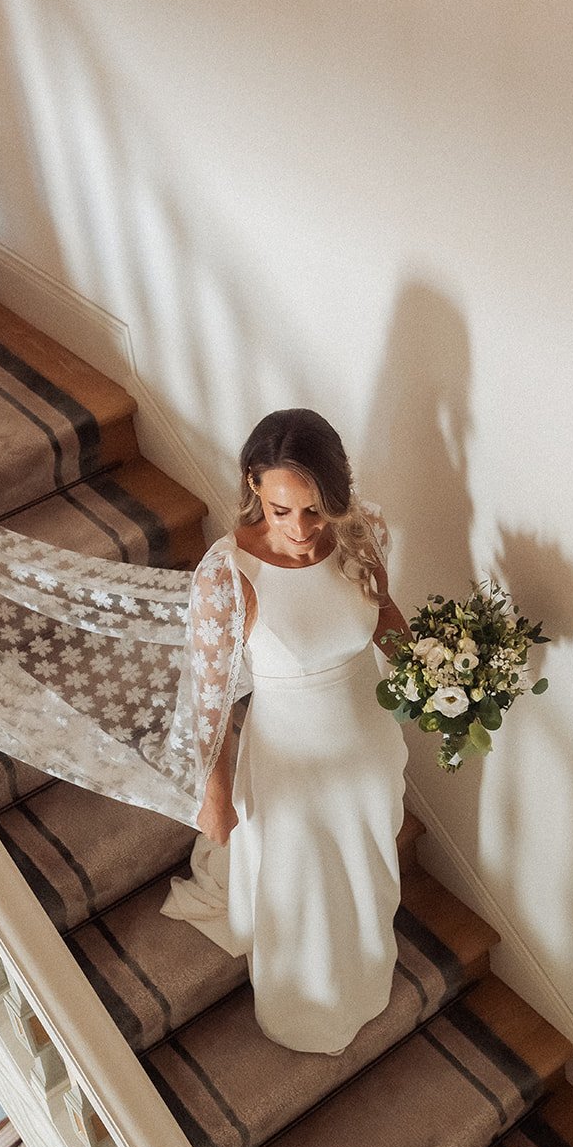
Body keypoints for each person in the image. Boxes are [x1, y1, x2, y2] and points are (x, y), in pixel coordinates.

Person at [161, 409, 410, 1055]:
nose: (300, 531)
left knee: (366, 874)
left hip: (369, 748)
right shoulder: (227, 578)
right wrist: (214, 798)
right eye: (280, 511)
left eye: (314, 511)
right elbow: (208, 704)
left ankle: (364, 976)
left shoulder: (364, 530)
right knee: (302, 892)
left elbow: (382, 613)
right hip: (289, 767)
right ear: (253, 489)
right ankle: (302, 1010)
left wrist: (435, 676)